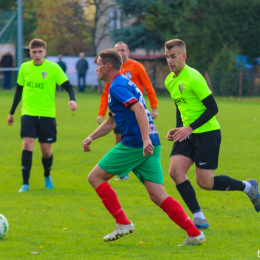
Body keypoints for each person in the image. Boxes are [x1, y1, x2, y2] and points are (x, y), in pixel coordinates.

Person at [82, 48, 205, 246]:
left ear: (107, 66)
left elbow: (138, 108)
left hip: (135, 143)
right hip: (150, 143)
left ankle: (122, 222)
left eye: (97, 65)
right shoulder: (121, 83)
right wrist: (91, 137)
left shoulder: (116, 86)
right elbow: (111, 122)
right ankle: (194, 233)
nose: (95, 69)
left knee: (95, 177)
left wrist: (144, 138)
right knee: (158, 195)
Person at [164, 39, 260, 229]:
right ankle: (198, 216)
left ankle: (248, 187)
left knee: (205, 182)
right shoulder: (169, 80)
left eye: (173, 57)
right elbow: (180, 107)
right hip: (187, 133)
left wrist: (189, 127)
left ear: (183, 57)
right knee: (175, 171)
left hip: (207, 133)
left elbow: (213, 108)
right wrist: (178, 129)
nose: (169, 61)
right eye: (167, 57)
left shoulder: (193, 78)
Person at [7, 38, 77, 192]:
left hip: (47, 114)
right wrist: (11, 113)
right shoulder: (25, 68)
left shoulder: (53, 68)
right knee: (27, 143)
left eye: (40, 52)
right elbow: (18, 91)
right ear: (30, 53)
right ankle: (25, 183)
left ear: (45, 53)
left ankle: (47, 174)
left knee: (46, 151)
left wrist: (72, 100)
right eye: (34, 52)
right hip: (28, 113)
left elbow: (68, 86)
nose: (37, 55)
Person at [96, 41, 159, 180]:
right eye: (117, 50)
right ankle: (123, 171)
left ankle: (122, 168)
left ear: (128, 52)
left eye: (122, 50)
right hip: (124, 115)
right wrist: (101, 113)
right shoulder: (114, 79)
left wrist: (154, 107)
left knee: (95, 178)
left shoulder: (135, 68)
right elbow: (107, 96)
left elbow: (148, 88)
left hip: (135, 123)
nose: (120, 52)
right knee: (157, 195)